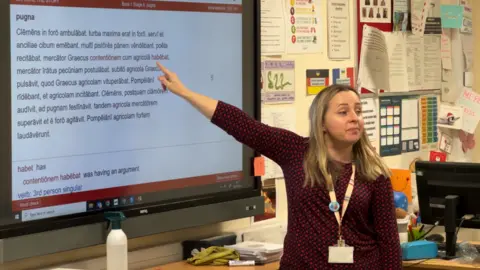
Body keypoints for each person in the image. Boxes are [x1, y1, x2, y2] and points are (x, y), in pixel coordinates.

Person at [155, 62, 402, 269]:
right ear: (322, 122)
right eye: (343, 112)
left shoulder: (373, 172)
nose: (354, 118)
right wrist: (186, 93)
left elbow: (390, 247)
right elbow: (240, 124)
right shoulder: (296, 152)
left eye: (358, 111)